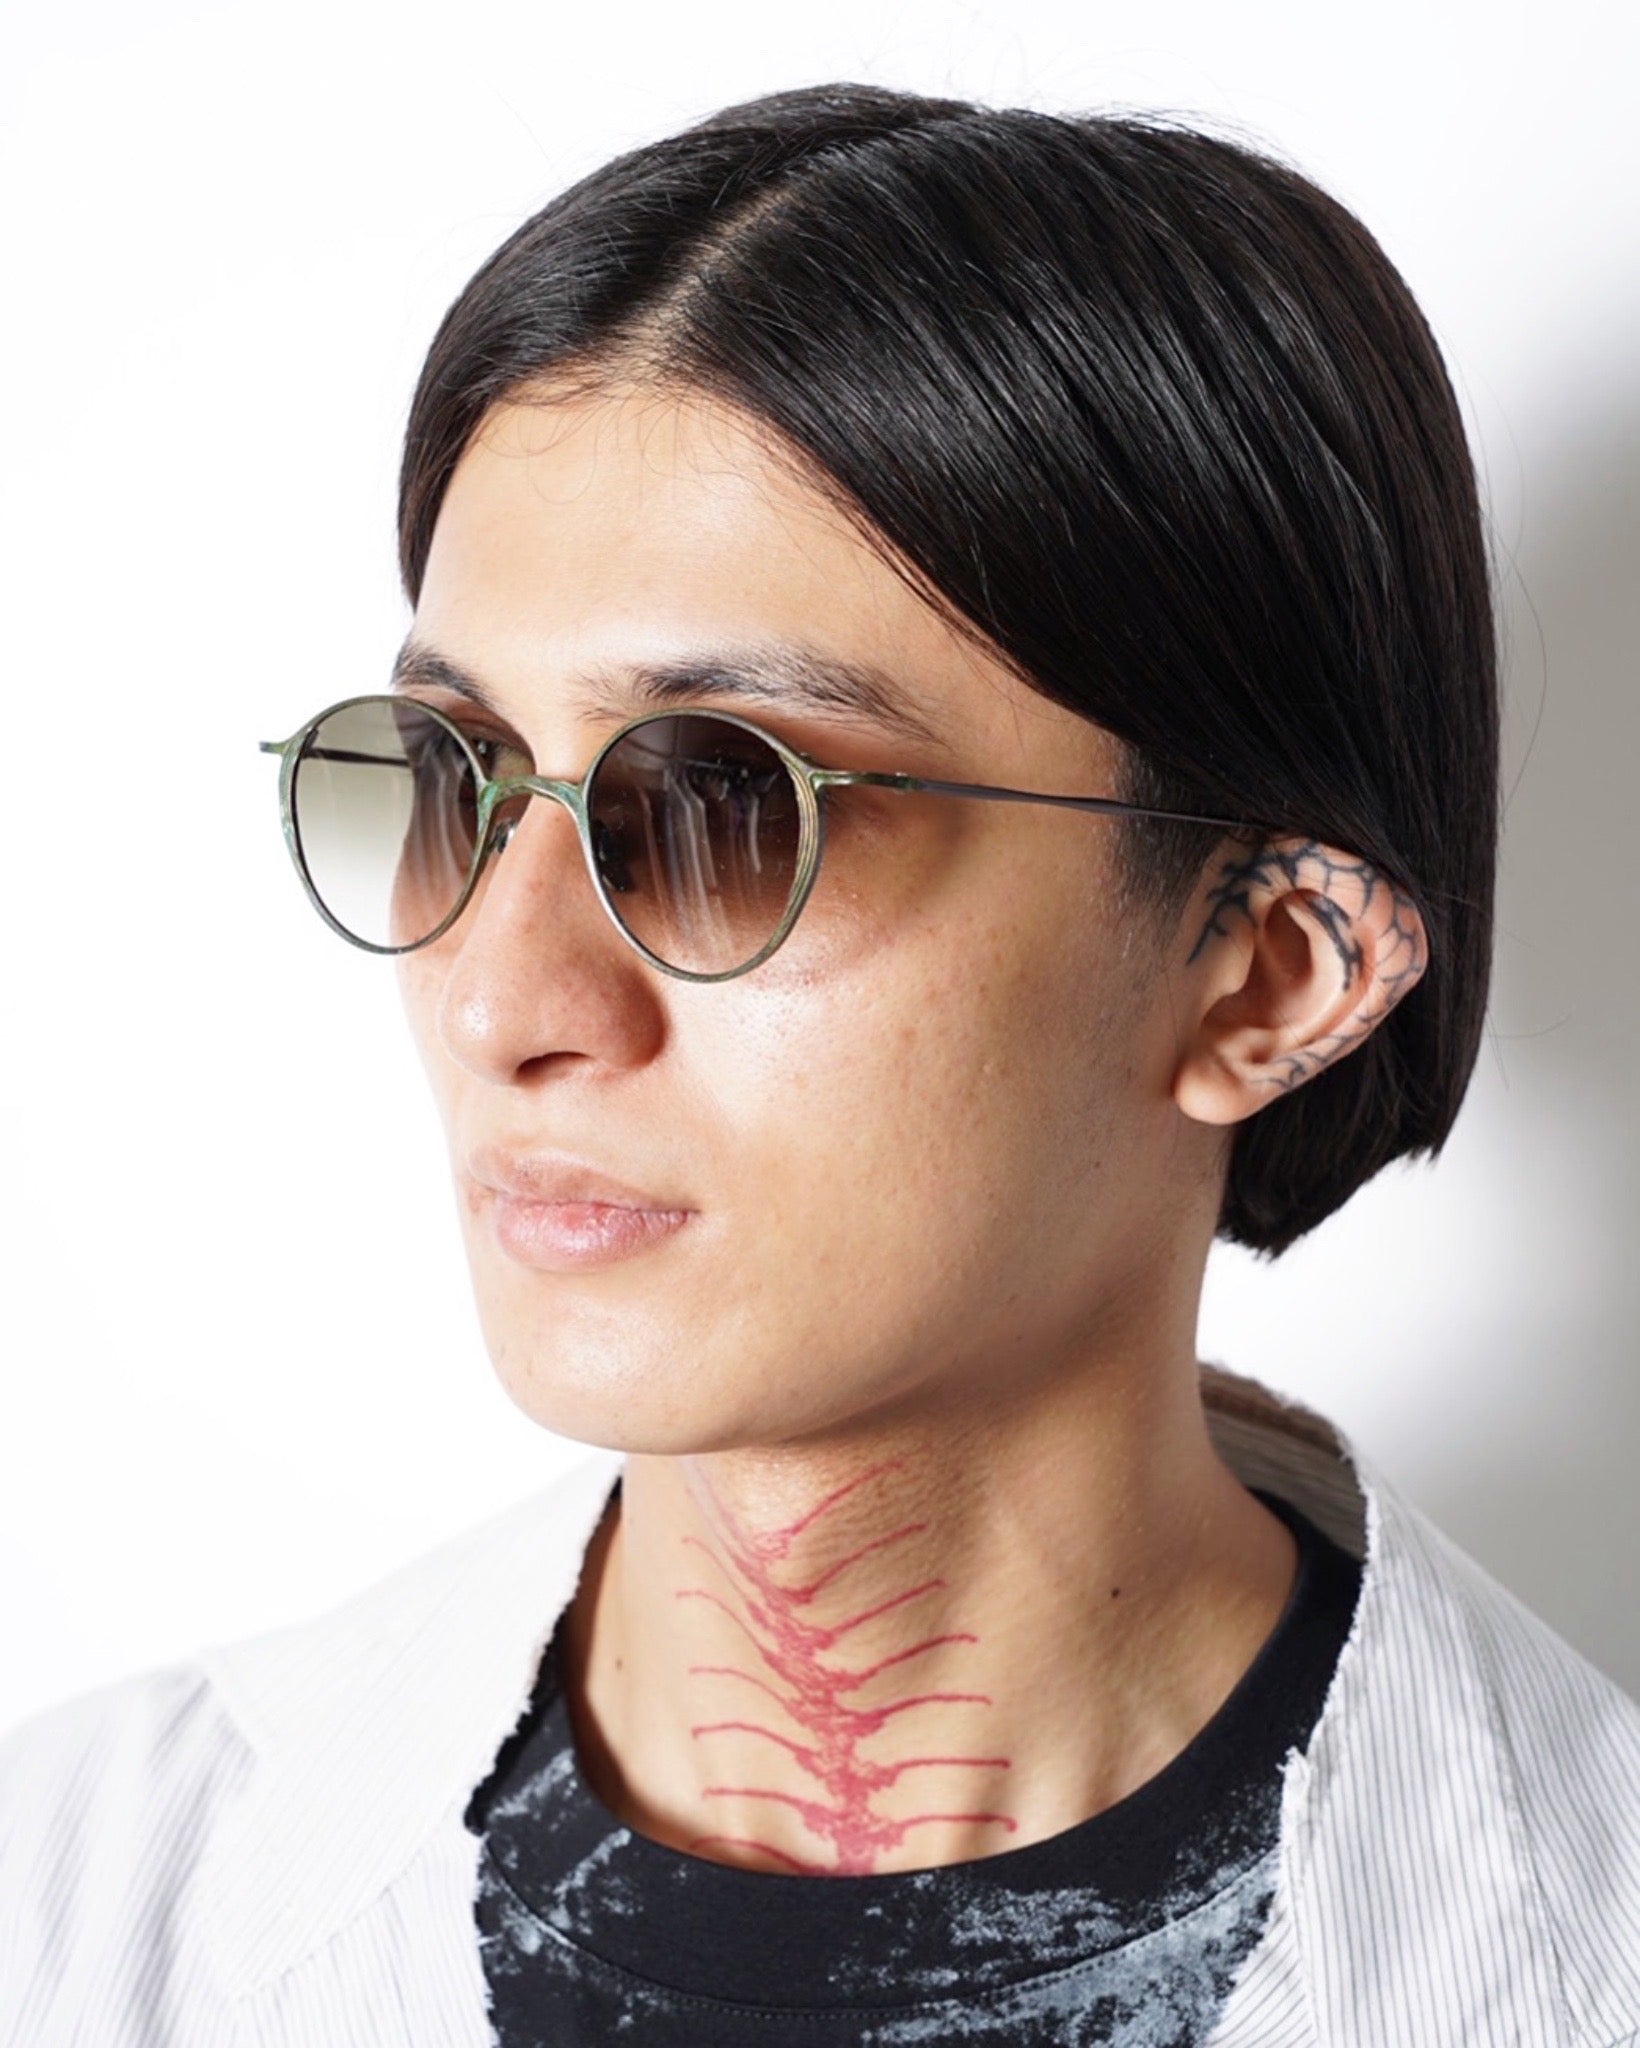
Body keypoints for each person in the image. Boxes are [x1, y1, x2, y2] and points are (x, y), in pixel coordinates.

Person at [3, 78, 1638, 2048]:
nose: (502, 999)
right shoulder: (71, 1907)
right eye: (454, 774)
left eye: (725, 805)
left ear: (1267, 975)